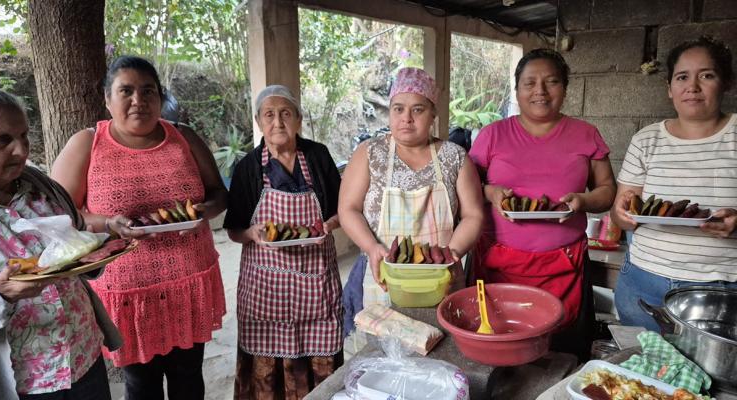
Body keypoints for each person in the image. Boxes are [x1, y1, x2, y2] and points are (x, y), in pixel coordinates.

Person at [50, 56, 227, 400]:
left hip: (188, 283)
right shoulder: (88, 143)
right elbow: (60, 214)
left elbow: (220, 193)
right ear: (107, 98)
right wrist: (106, 222)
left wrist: (203, 212)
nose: (138, 100)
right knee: (140, 384)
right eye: (126, 91)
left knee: (189, 377)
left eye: (148, 91)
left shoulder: (184, 138)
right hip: (129, 293)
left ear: (160, 97)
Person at [0, 85, 122, 400]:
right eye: (3, 140)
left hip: (83, 357)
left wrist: (101, 245)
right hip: (22, 382)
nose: (22, 151)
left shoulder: (42, 187)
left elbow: (76, 242)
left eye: (24, 136)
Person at [469, 49, 616, 358]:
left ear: (564, 88)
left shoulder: (586, 134)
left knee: (560, 354)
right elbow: (466, 189)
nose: (540, 91)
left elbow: (606, 191)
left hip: (565, 265)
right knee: (499, 348)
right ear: (517, 88)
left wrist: (583, 200)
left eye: (551, 82)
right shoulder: (492, 135)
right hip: (498, 265)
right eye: (530, 82)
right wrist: (491, 192)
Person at [340, 67, 485, 334]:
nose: (406, 118)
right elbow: (348, 209)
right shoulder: (369, 153)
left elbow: (474, 215)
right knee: (383, 359)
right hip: (383, 275)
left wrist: (452, 254)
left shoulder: (454, 156)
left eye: (417, 109)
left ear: (433, 114)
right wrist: (371, 247)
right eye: (398, 109)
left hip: (442, 277)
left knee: (441, 354)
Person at [224, 84, 343, 399]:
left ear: (299, 119)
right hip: (266, 286)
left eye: (286, 113)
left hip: (315, 280)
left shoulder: (317, 157)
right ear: (259, 122)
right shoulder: (248, 167)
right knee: (267, 365)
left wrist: (328, 225)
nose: (278, 122)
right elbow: (234, 229)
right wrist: (252, 234)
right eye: (269, 115)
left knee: (320, 348)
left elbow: (342, 210)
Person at [611, 36, 737, 332]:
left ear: (726, 83)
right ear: (670, 88)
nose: (692, 87)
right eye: (682, 77)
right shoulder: (646, 140)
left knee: (709, 377)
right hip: (642, 282)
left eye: (706, 75)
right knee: (639, 375)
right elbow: (621, 215)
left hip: (719, 290)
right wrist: (623, 214)